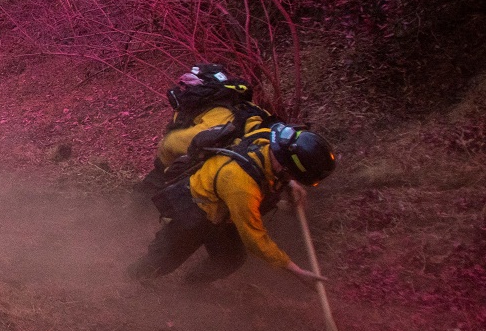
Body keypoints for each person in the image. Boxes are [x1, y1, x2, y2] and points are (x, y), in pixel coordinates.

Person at [127, 122, 336, 285]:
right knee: (161, 262)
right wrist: (294, 269)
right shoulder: (242, 185)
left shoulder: (267, 138)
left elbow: (279, 164)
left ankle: (190, 286)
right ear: (285, 167)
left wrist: (290, 182)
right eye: (292, 175)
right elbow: (254, 239)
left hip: (223, 213)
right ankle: (127, 282)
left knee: (230, 258)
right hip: (194, 211)